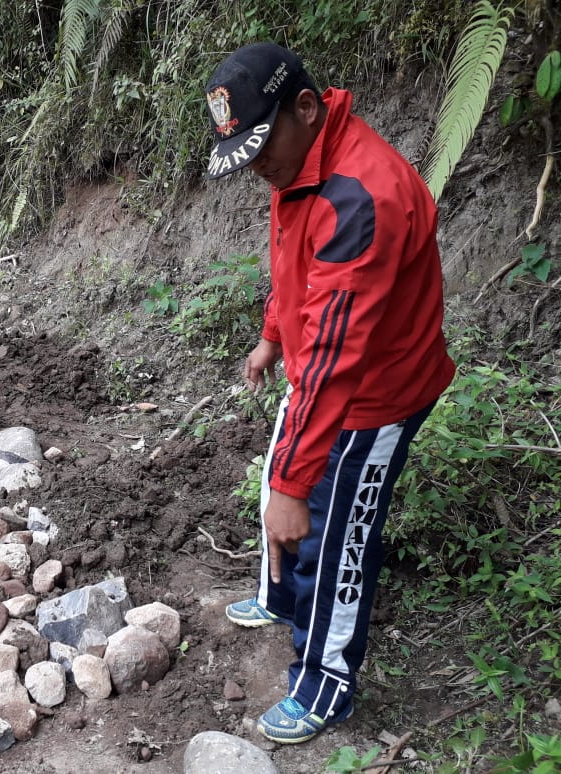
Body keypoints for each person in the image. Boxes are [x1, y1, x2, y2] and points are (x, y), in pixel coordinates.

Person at [204, 44, 455, 744]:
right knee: (281, 486)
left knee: (337, 531)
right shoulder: (298, 165)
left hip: (377, 394)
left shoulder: (360, 195)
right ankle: (281, 597)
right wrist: (271, 336)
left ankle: (325, 684)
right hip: (322, 369)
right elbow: (297, 271)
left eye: (262, 147)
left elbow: (338, 363)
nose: (257, 167)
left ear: (307, 108)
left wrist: (295, 485)